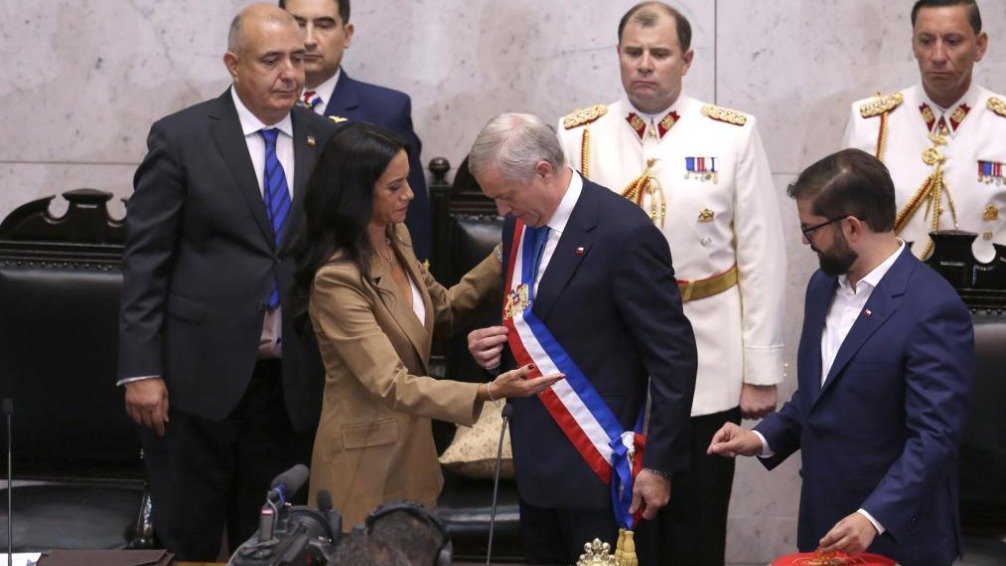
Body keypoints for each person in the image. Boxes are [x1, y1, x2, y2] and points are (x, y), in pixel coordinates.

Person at [550, 2, 786, 563]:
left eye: (659, 53)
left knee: (696, 525)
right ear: (618, 55)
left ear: (687, 60)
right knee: (613, 530)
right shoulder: (578, 134)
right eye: (633, 52)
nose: (645, 64)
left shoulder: (732, 134)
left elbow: (760, 255)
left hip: (708, 357)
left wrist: (759, 370)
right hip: (607, 362)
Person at [116, 4, 338, 560]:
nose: (290, 73)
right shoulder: (182, 137)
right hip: (196, 379)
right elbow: (146, 262)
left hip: (289, 383)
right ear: (233, 65)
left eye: (297, 59)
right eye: (272, 60)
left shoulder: (324, 138)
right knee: (189, 539)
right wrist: (142, 370)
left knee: (274, 543)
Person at [708, 148, 974, 566]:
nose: (805, 241)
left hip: (896, 536)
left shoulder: (932, 307)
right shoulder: (822, 286)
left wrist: (873, 517)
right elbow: (820, 395)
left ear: (851, 227)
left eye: (810, 229)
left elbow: (934, 438)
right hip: (824, 525)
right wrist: (760, 439)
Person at [293, 121, 562, 531]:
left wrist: (506, 251)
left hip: (414, 458)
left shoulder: (395, 236)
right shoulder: (336, 280)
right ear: (356, 193)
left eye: (408, 180)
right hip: (364, 469)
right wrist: (488, 391)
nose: (410, 194)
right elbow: (391, 383)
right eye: (395, 186)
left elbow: (443, 310)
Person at [466, 113, 697, 564]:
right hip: (535, 469)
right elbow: (533, 325)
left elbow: (674, 359)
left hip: (602, 472)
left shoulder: (624, 233)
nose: (501, 212)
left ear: (543, 171)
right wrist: (490, 351)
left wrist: (659, 465)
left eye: (506, 196)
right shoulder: (519, 226)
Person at [843, 0, 1006, 262]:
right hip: (895, 285)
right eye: (926, 41)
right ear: (913, 45)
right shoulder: (871, 123)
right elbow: (847, 230)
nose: (938, 56)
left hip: (988, 285)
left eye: (953, 41)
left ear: (979, 46)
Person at [279, 0, 433, 261]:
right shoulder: (258, 109)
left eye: (324, 25)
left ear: (347, 34)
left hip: (355, 273)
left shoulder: (385, 111)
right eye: (298, 24)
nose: (309, 40)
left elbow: (409, 216)